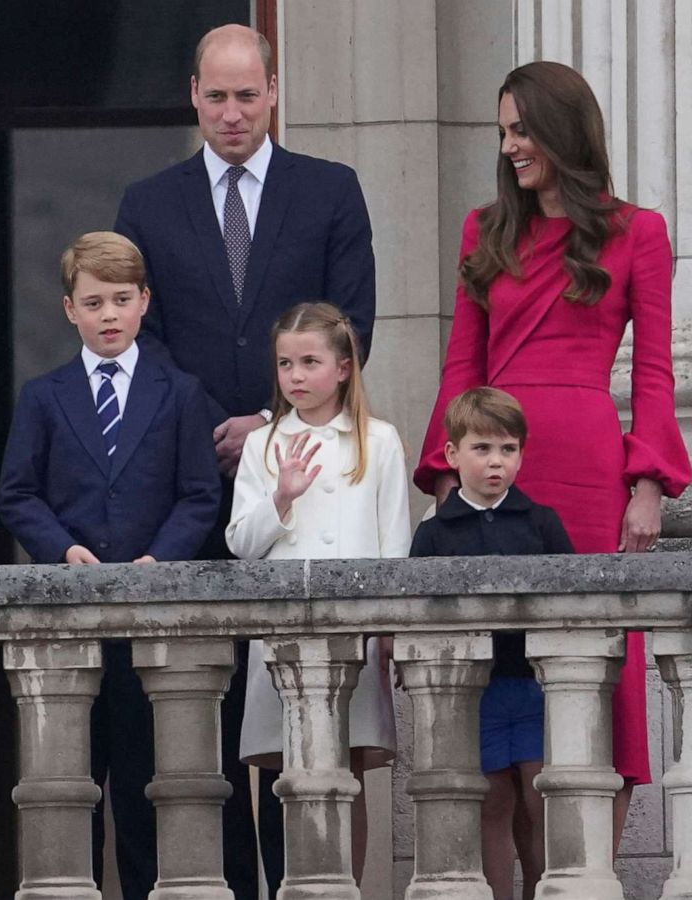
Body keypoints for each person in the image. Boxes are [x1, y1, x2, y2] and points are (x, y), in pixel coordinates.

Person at [113, 24, 377, 896]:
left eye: (248, 95)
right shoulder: (148, 203)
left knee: (296, 719)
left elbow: (352, 325)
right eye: (217, 96)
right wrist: (210, 429)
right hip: (188, 489)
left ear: (274, 92)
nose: (233, 113)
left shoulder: (329, 190)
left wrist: (268, 423)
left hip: (301, 479)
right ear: (193, 94)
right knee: (202, 712)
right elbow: (138, 343)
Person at [413, 61, 691, 849]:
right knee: (503, 667)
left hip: (590, 465)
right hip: (498, 460)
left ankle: (587, 870)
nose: (509, 147)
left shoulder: (640, 230)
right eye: (504, 132)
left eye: (521, 129)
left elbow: (654, 372)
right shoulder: (484, 229)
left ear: (561, 130)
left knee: (602, 663)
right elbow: (461, 365)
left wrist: (647, 485)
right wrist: (446, 479)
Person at [0, 231, 219, 897]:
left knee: (150, 786)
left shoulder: (179, 392)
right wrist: (62, 548)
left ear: (145, 302)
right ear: (69, 310)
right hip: (71, 623)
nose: (109, 315)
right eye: (94, 302)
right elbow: (16, 492)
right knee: (71, 788)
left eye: (122, 299)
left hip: (152, 623)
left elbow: (200, 493)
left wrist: (163, 556)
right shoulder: (44, 395)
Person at [226, 301, 407, 889]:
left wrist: (390, 634)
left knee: (345, 775)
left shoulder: (379, 441)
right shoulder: (264, 442)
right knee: (289, 777)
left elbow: (394, 550)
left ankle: (344, 889)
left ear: (345, 366)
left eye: (310, 361)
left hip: (354, 633)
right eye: (285, 364)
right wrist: (281, 496)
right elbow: (241, 544)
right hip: (282, 636)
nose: (296, 376)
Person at [411, 388, 573, 900]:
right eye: (482, 449)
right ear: (453, 455)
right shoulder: (434, 534)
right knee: (492, 804)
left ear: (522, 453)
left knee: (540, 798)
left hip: (533, 689)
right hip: (471, 697)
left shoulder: (541, 522)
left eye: (507, 449)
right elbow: (416, 612)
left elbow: (574, 597)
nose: (496, 461)